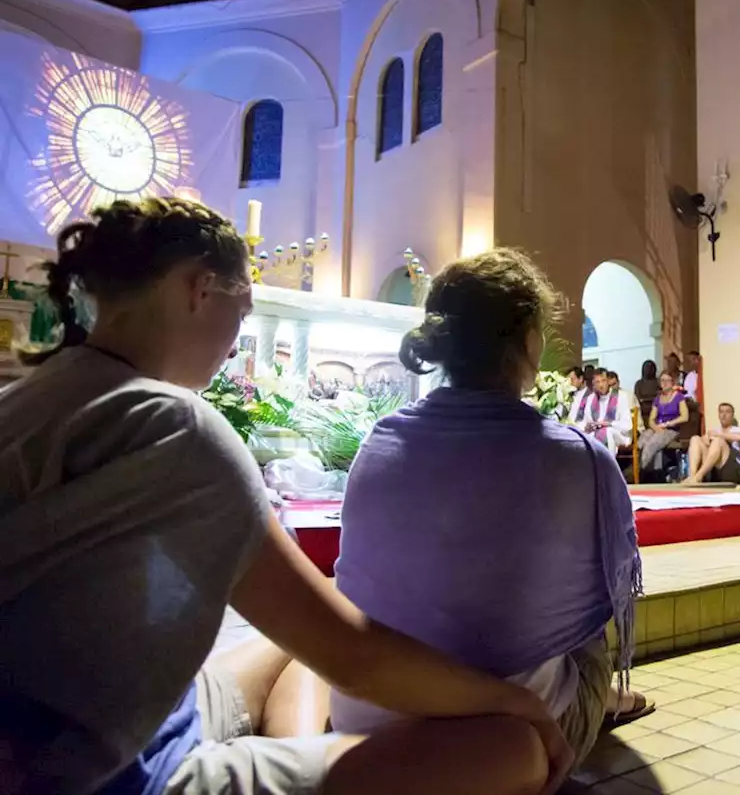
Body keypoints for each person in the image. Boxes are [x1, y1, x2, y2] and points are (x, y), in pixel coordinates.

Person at [0, 200, 573, 795]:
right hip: (115, 776)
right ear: (200, 289)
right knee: (514, 750)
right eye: (242, 311)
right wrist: (515, 701)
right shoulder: (176, 428)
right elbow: (353, 656)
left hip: (100, 723)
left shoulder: (26, 399)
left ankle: (289, 756)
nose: (236, 338)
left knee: (280, 644)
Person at [335, 248, 651, 761]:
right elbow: (607, 592)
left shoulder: (381, 439)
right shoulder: (581, 459)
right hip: (519, 732)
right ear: (529, 342)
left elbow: (356, 588)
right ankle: (602, 697)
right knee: (586, 624)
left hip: (372, 715)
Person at [685, 402, 740, 485]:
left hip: (732, 469)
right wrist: (707, 438)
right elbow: (701, 443)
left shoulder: (738, 430)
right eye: (721, 412)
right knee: (695, 439)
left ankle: (699, 476)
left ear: (732, 415)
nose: (724, 415)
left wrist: (718, 435)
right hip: (714, 469)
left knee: (718, 441)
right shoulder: (714, 431)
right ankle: (693, 476)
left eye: (727, 412)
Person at [637, 371, 689, 473]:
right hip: (657, 427)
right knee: (642, 439)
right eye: (662, 380)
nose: (664, 383)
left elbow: (684, 417)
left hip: (671, 429)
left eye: (667, 381)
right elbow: (651, 418)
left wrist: (668, 424)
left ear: (672, 382)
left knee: (652, 443)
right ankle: (638, 467)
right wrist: (655, 427)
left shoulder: (679, 397)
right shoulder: (657, 399)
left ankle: (639, 471)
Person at [577, 369, 634, 455]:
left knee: (607, 431)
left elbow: (627, 424)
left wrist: (608, 423)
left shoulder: (621, 396)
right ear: (594, 384)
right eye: (597, 382)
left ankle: (609, 465)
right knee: (587, 437)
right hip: (595, 432)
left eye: (603, 381)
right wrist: (586, 427)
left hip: (618, 432)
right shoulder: (590, 398)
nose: (601, 385)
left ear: (608, 382)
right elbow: (585, 421)